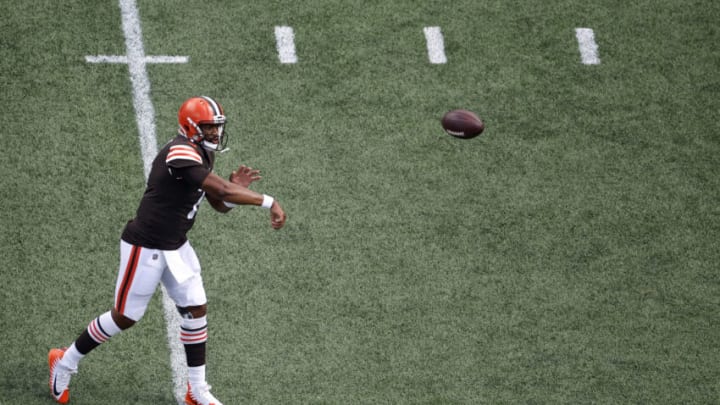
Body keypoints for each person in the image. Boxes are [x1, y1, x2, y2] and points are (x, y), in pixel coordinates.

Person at [48, 96, 286, 405]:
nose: (215, 133)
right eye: (209, 127)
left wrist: (230, 188)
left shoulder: (201, 151)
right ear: (191, 127)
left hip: (176, 244)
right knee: (125, 317)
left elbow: (219, 202)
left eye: (217, 127)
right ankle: (64, 361)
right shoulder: (181, 152)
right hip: (145, 244)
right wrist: (267, 200)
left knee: (196, 309)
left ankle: (197, 390)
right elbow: (223, 192)